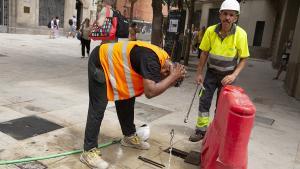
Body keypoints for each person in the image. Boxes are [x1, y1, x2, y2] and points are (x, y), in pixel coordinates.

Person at [80, 41, 186, 168]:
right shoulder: (152, 62)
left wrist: (171, 78)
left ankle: (129, 136)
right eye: (168, 80)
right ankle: (88, 151)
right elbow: (150, 92)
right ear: (166, 71)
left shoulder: (164, 60)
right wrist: (172, 77)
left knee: (127, 99)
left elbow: (157, 84)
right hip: (101, 61)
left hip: (118, 67)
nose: (165, 83)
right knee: (98, 107)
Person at [189, 0, 250, 142]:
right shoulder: (210, 31)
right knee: (204, 101)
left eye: (231, 15)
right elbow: (204, 53)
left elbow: (244, 59)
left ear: (236, 18)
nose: (227, 17)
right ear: (220, 14)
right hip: (211, 74)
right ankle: (201, 130)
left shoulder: (240, 34)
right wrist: (199, 73)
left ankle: (217, 132)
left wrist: (234, 75)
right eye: (225, 14)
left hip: (228, 77)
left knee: (222, 106)